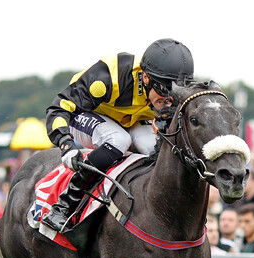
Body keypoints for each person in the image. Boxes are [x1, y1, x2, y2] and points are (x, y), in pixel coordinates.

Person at [41, 38, 194, 233]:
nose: (169, 100)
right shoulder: (108, 78)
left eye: (176, 92)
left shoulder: (167, 94)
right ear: (145, 78)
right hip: (85, 116)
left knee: (154, 149)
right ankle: (65, 204)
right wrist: (65, 144)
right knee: (119, 139)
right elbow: (58, 108)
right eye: (164, 90)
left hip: (128, 121)